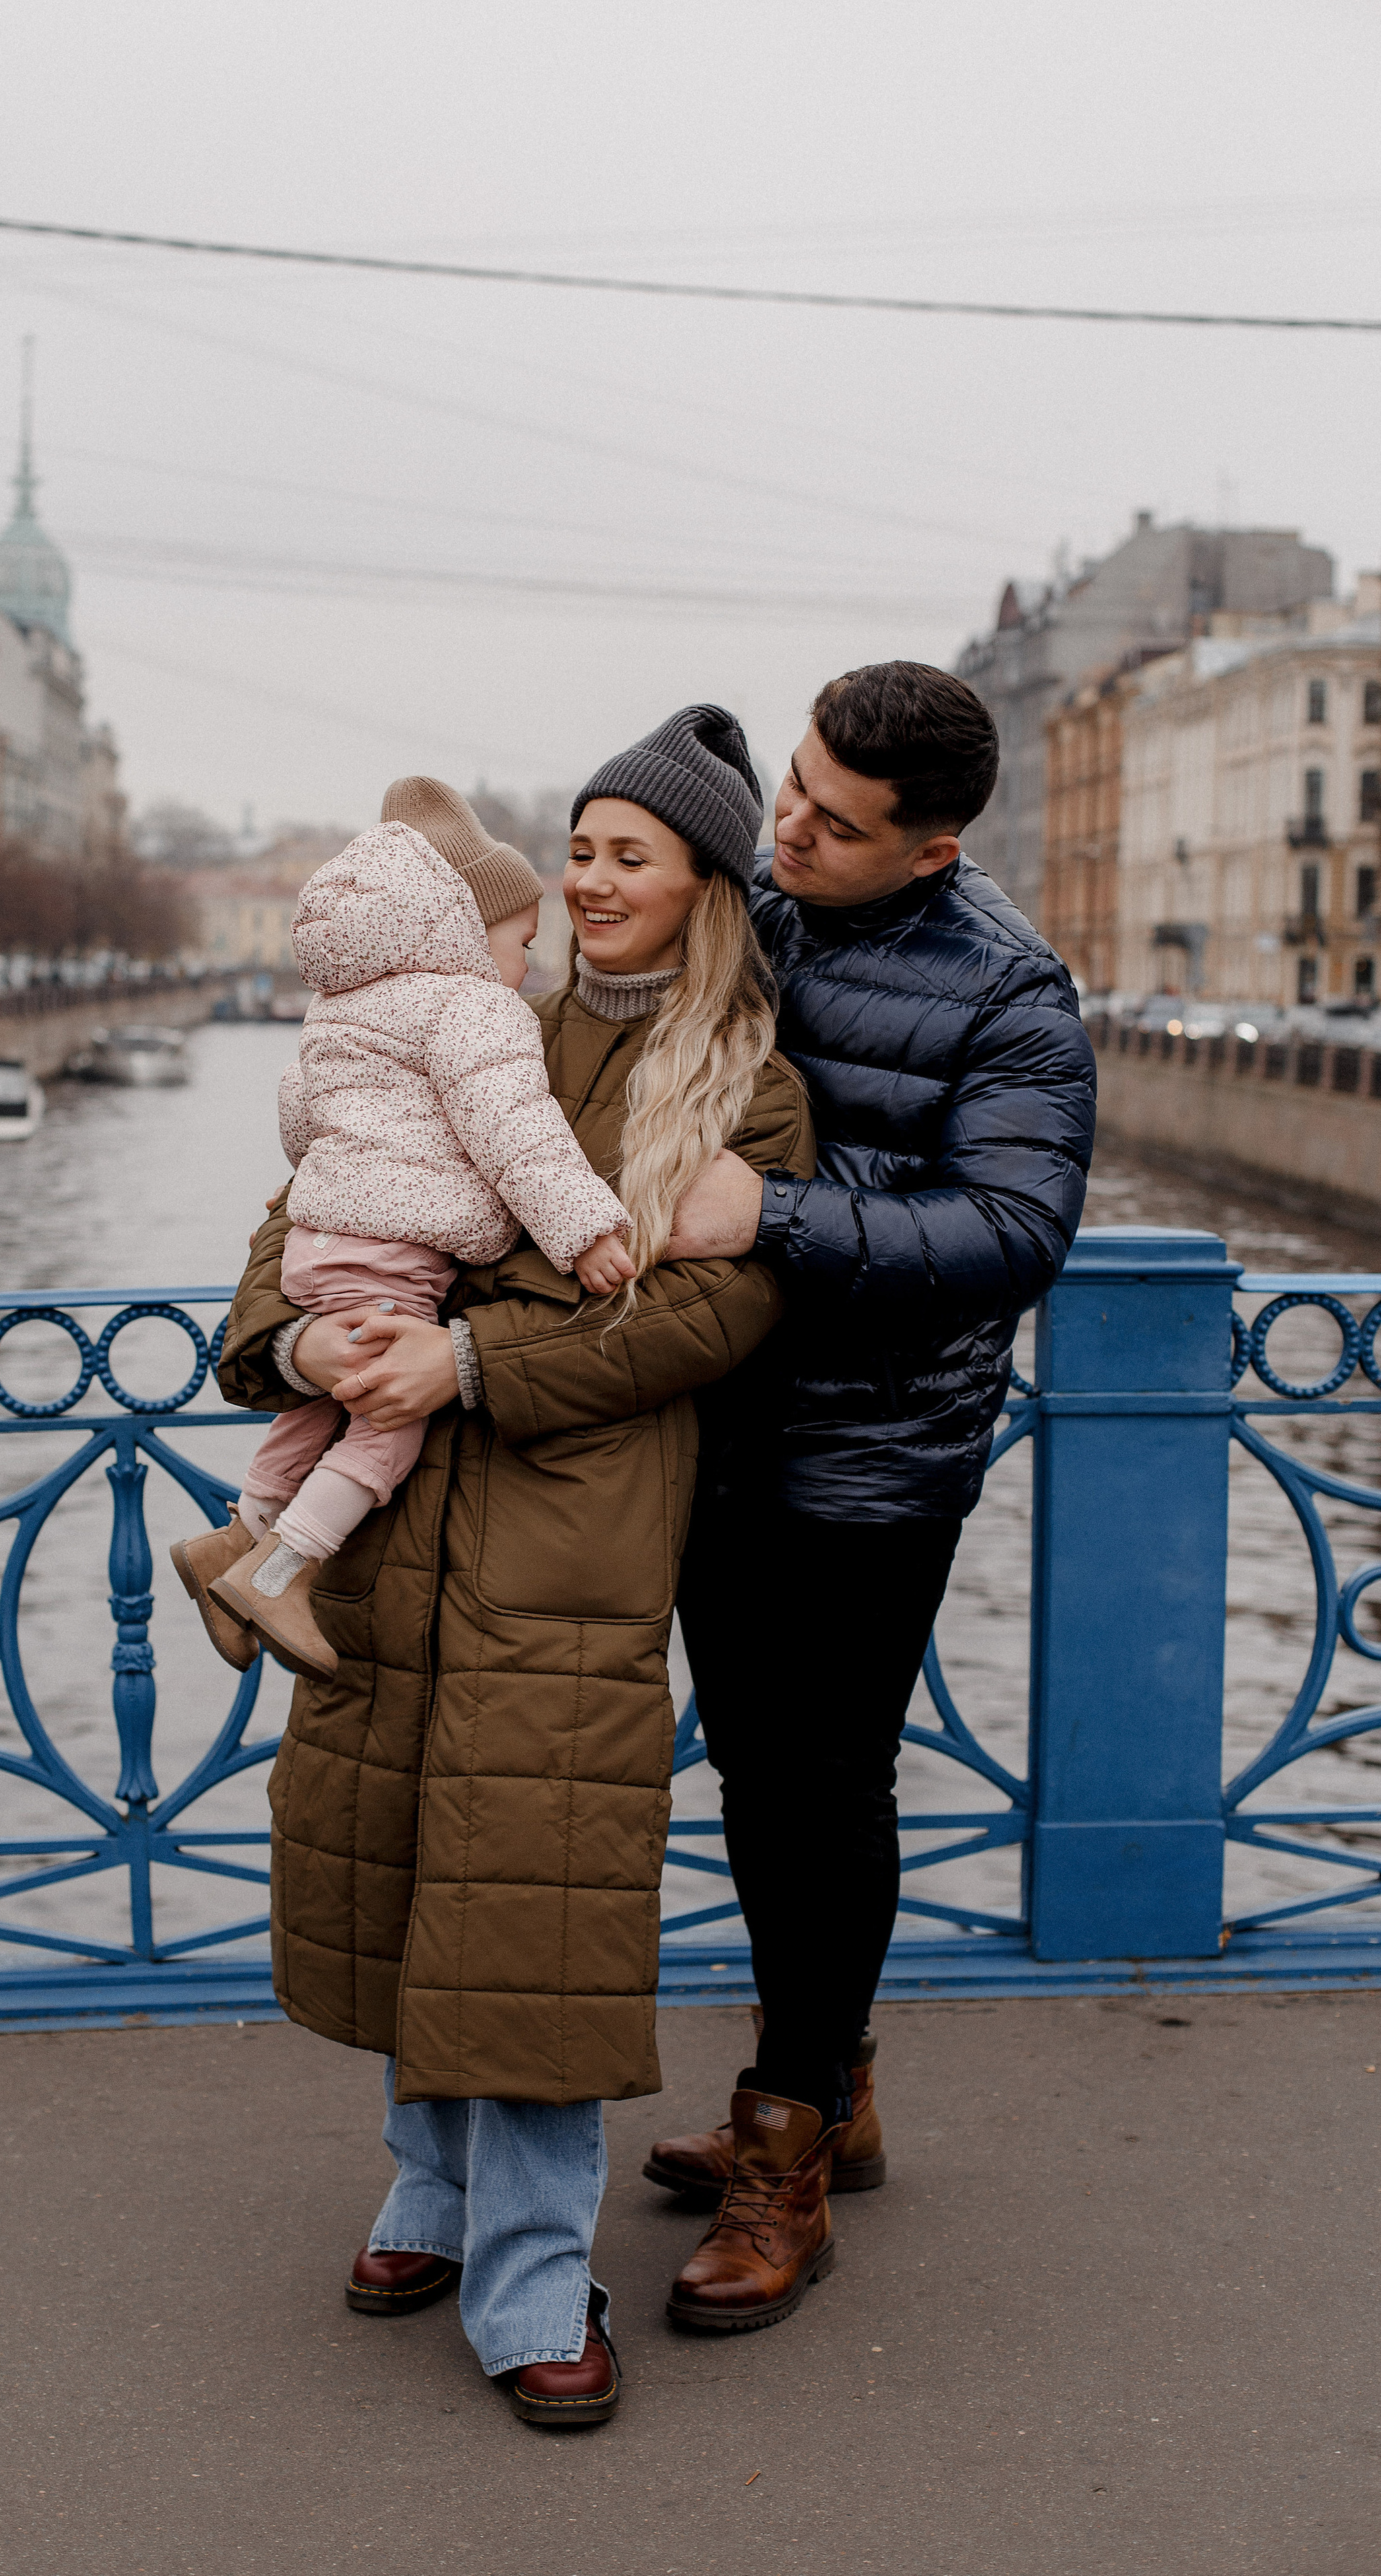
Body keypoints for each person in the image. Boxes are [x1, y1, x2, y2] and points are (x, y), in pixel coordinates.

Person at [219, 706, 813, 2428]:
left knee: (537, 1908)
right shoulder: (459, 1014)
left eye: (630, 855)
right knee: (412, 1874)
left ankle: (534, 2273)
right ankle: (429, 2187)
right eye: (575, 848)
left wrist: (467, 1367)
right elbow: (295, 1228)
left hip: (569, 1541)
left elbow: (716, 1309)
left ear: (704, 885)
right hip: (393, 1527)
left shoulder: (746, 1078)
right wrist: (309, 1352)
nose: (587, 879)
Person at [643, 661, 1098, 2334]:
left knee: (818, 1794)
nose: (791, 832)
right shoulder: (759, 907)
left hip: (872, 1461)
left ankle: (788, 2161)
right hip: (716, 1428)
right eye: (793, 793)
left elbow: (1011, 1238)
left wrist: (762, 1218)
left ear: (930, 847)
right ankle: (830, 2092)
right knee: (755, 1779)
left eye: (834, 823)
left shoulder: (1010, 993)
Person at [170, 782, 632, 1680]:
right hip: (395, 1256)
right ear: (465, 927)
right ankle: (283, 1571)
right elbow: (516, 1134)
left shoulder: (338, 1009)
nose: (524, 970)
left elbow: (303, 1123)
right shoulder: (473, 1007)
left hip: (318, 1248)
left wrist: (329, 1179)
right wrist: (583, 1227)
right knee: (387, 1427)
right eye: (520, 945)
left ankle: (235, 1540)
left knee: (322, 1402)